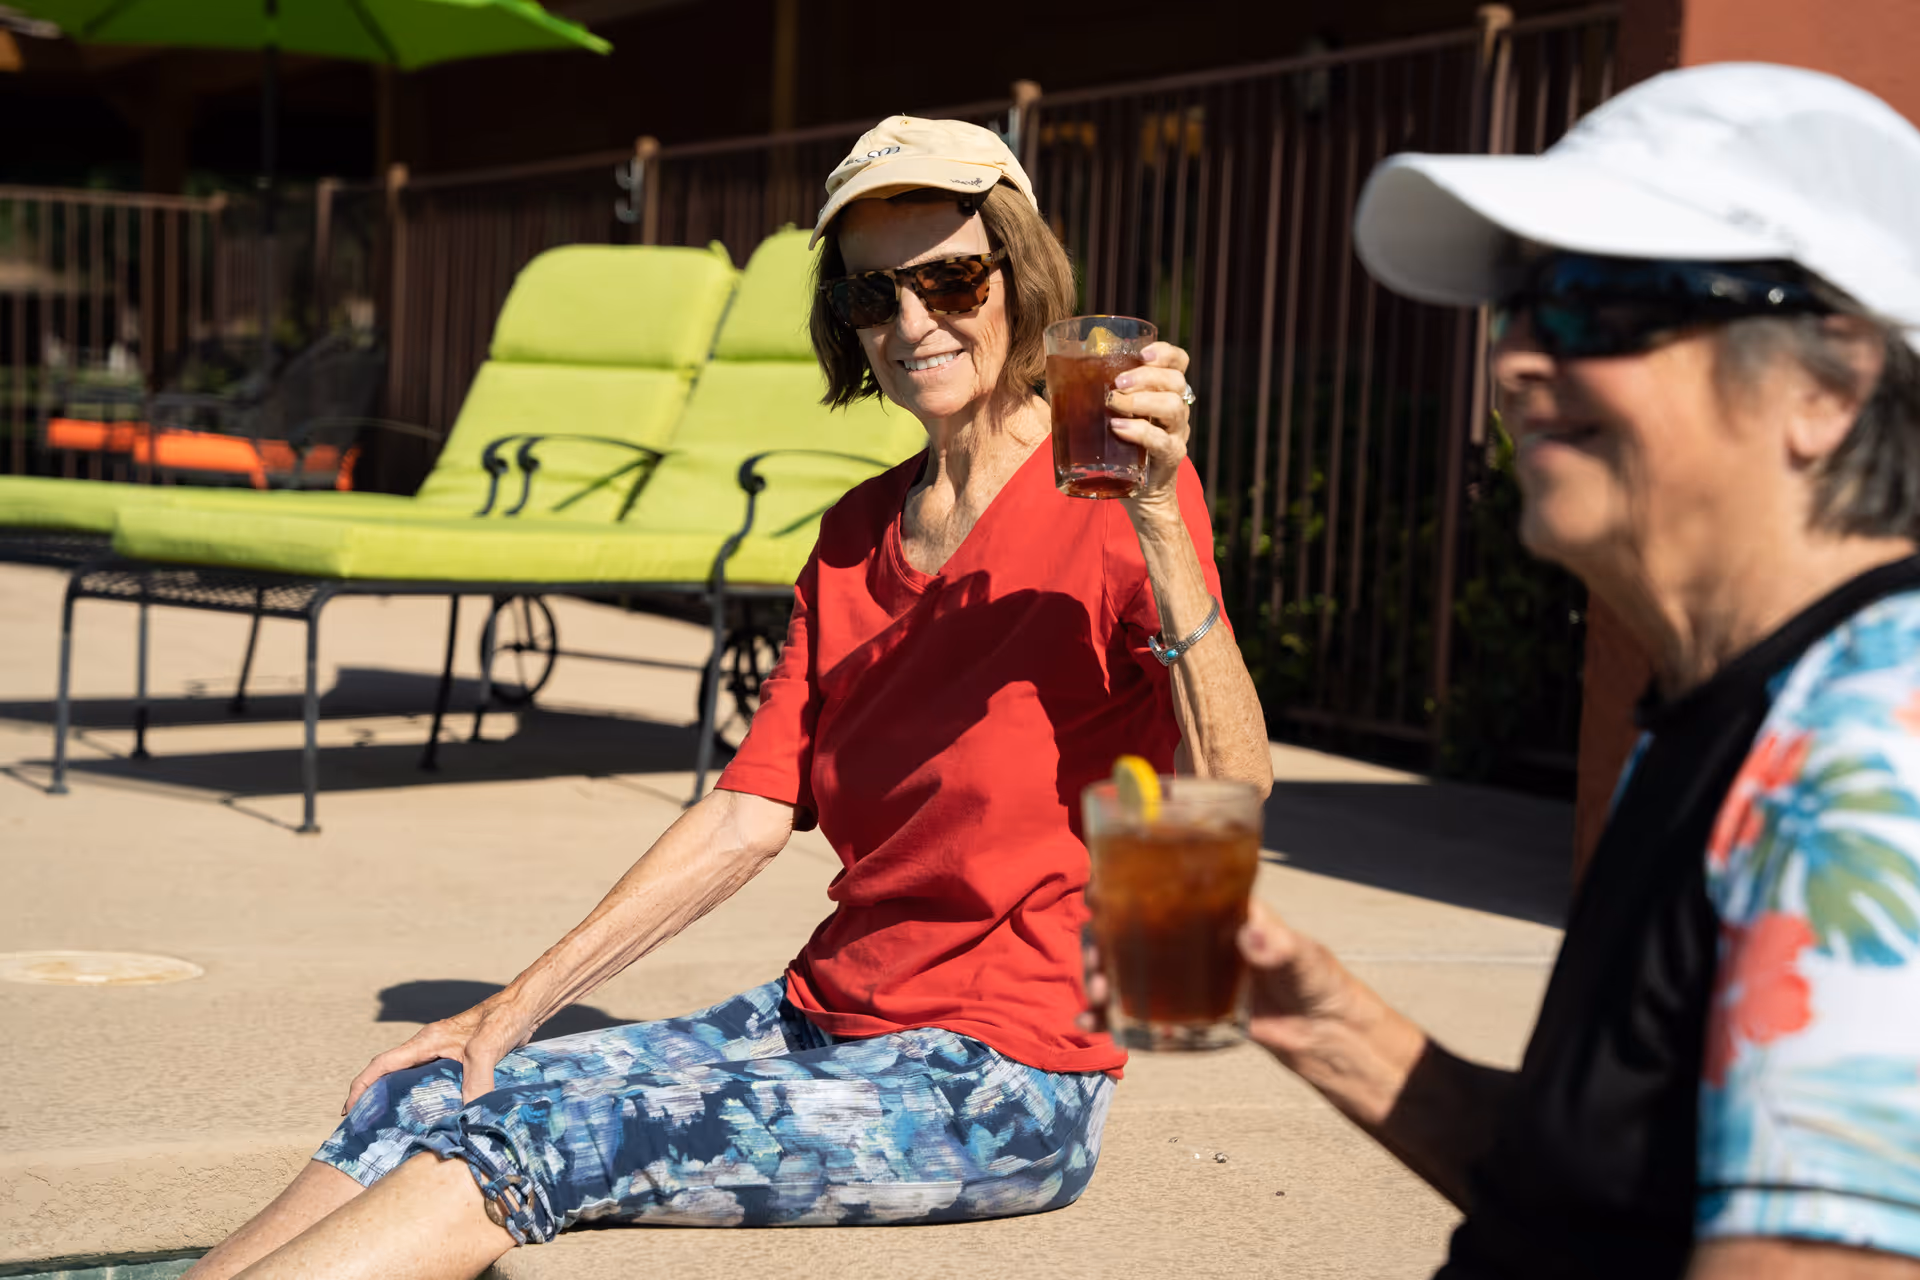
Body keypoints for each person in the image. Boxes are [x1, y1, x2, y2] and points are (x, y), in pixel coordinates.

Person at [183, 118, 1271, 1279]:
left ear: (1019, 274)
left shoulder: (1119, 492)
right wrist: (509, 1007)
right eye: (872, 294)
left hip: (1004, 1073)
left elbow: (1230, 793)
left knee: (545, 1135)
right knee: (434, 1086)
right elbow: (746, 814)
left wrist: (1158, 519)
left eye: (950, 276)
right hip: (828, 1012)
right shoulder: (855, 534)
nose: (913, 323)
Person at [1218, 62, 1920, 1279]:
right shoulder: (1732, 705)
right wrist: (1325, 1025)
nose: (1519, 361)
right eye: (1522, 305)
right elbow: (1608, 1206)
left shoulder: (1868, 755)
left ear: (1829, 381)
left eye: (1595, 304)